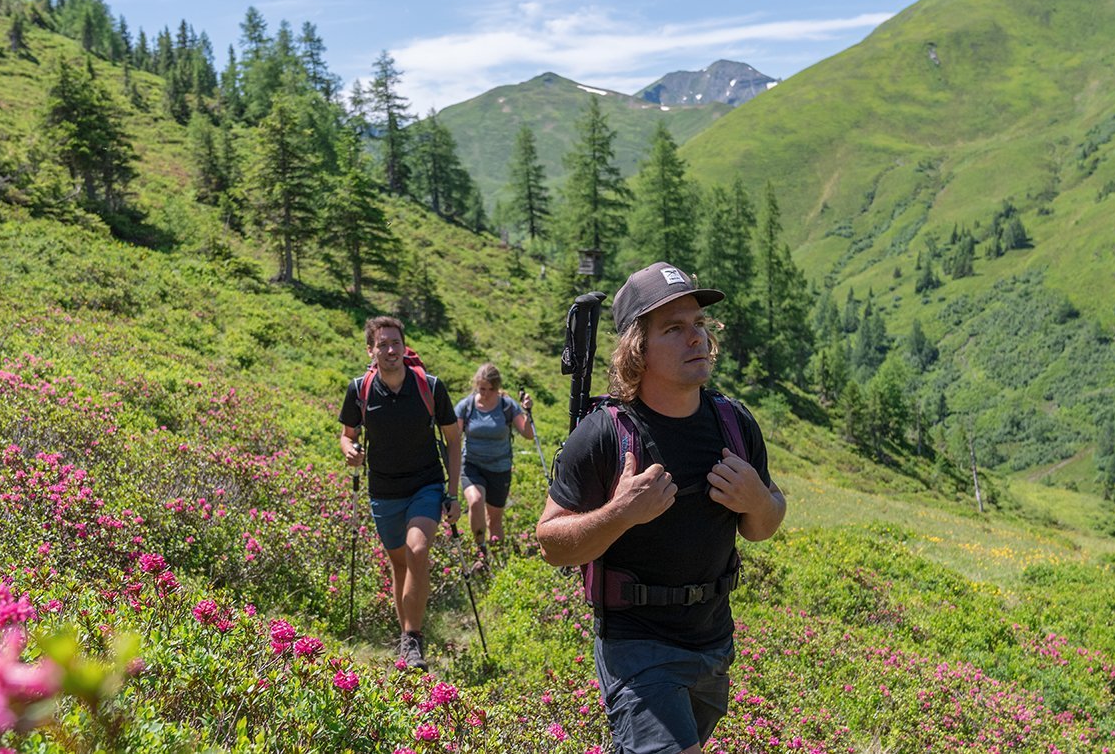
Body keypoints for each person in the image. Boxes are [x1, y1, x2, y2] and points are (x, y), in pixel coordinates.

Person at [536, 262, 788, 754]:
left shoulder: (733, 424)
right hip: (637, 645)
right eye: (674, 329)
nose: (696, 338)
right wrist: (621, 512)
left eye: (698, 325)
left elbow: (763, 524)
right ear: (638, 349)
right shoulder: (605, 434)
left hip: (713, 644)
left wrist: (759, 500)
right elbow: (550, 543)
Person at [338, 316, 463, 670]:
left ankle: (412, 640)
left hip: (425, 484)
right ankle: (407, 637)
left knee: (417, 550)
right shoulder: (359, 389)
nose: (390, 350)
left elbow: (453, 440)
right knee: (399, 564)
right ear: (371, 350)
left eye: (396, 343)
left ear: (404, 347)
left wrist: (452, 493)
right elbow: (348, 434)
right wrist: (348, 448)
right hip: (383, 490)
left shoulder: (430, 387)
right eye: (383, 344)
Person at [452, 363, 534, 556]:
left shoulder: (507, 405)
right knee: (475, 501)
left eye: (492, 389)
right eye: (482, 388)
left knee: (494, 520)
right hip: (472, 465)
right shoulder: (466, 406)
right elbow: (454, 438)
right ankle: (481, 551)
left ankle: (496, 556)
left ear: (498, 387)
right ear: (476, 385)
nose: (487, 393)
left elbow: (527, 434)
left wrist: (528, 412)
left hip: (499, 468)